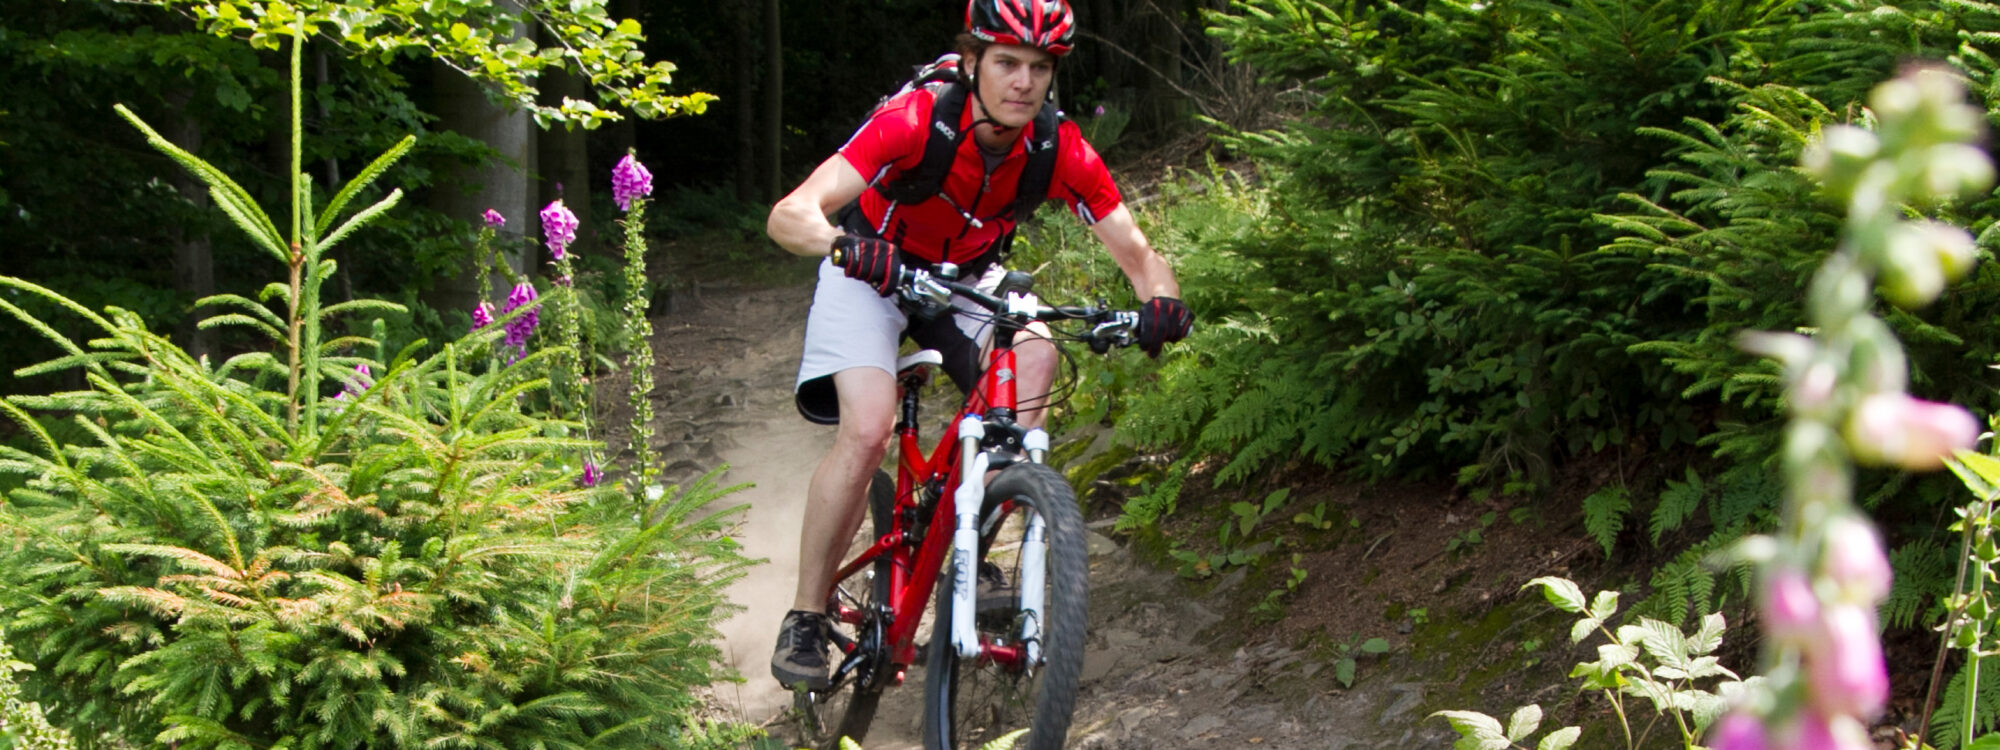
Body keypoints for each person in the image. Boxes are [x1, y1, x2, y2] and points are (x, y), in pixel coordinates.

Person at [764, 0, 1192, 690]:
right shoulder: (916, 121)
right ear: (970, 64)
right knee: (869, 428)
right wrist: (850, 246)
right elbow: (790, 215)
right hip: (870, 273)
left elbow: (1140, 255)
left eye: (1039, 67)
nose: (1023, 82)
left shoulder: (1057, 148)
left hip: (966, 278)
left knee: (1037, 352)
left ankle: (976, 529)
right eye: (1006, 63)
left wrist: (1162, 304)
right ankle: (807, 616)